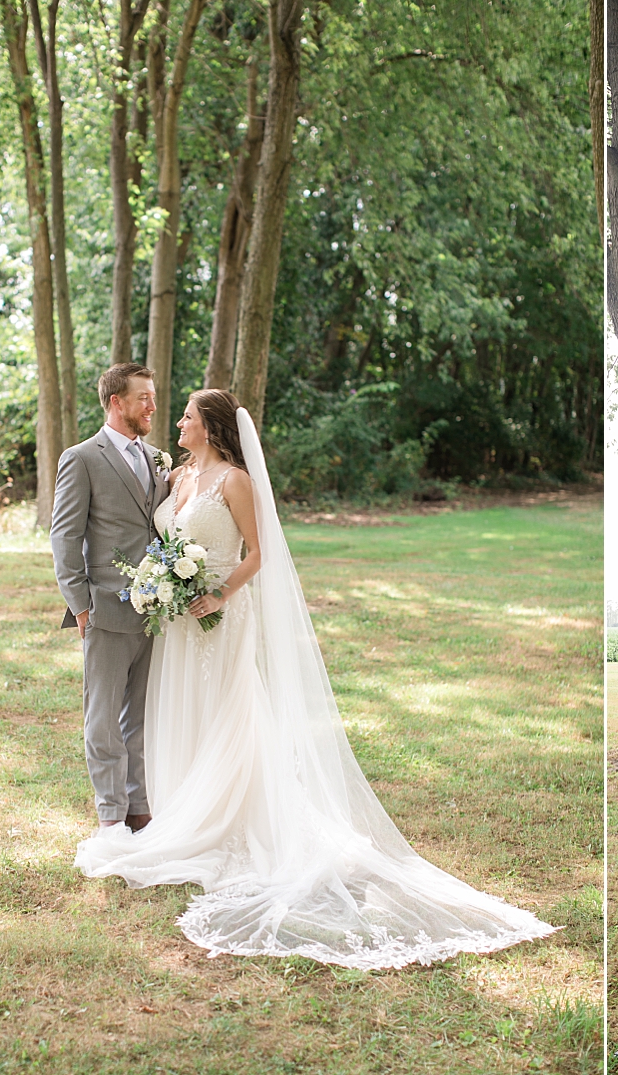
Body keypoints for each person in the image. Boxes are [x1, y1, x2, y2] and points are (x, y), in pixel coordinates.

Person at [74, 389, 556, 969]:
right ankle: (182, 811)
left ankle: (227, 820)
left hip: (222, 618)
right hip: (178, 624)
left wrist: (218, 592)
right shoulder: (175, 477)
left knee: (232, 712)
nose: (177, 421)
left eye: (188, 417)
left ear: (213, 427)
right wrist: (163, 582)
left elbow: (259, 552)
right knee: (182, 713)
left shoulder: (235, 481)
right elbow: (162, 539)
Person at [50, 363, 172, 832]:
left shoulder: (159, 458)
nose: (153, 406)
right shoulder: (81, 458)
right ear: (116, 402)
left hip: (158, 610)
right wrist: (81, 604)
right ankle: (110, 817)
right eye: (144, 397)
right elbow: (64, 536)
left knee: (141, 716)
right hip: (104, 607)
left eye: (153, 396)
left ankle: (139, 809)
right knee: (102, 720)